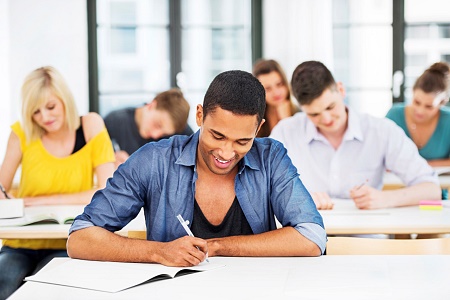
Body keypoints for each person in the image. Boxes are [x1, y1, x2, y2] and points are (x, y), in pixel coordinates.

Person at [67, 70, 326, 267]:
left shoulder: (271, 158)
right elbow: (80, 238)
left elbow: (312, 237)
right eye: (217, 135)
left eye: (242, 141)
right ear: (199, 116)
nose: (226, 153)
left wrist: (215, 246)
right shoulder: (154, 160)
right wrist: (159, 251)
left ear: (258, 130)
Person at [0, 66, 115, 299]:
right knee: (4, 284)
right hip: (21, 243)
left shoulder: (90, 125)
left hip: (71, 242)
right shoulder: (21, 133)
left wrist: (33, 201)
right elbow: (1, 189)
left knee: (43, 291)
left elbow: (105, 191)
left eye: (50, 107)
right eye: (35, 112)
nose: (45, 117)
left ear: (64, 99)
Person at [270, 61, 441, 210]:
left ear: (341, 90)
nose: (326, 119)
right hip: (306, 241)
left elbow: (432, 189)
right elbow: (261, 191)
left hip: (366, 241)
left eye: (330, 107)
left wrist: (384, 199)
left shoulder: (381, 131)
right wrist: (296, 200)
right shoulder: (285, 133)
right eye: (314, 114)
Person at [386, 62, 450, 199]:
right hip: (393, 188)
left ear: (442, 102)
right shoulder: (394, 115)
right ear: (412, 93)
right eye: (416, 102)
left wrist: (421, 165)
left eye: (429, 106)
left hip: (439, 189)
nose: (420, 111)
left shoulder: (448, 121)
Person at [104, 88, 193, 168]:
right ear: (152, 105)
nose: (155, 135)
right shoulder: (114, 122)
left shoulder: (183, 133)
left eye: (164, 134)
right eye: (157, 124)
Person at [253, 59, 300, 137]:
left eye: (279, 84)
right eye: (268, 88)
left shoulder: (300, 114)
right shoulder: (254, 119)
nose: (276, 93)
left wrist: (286, 120)